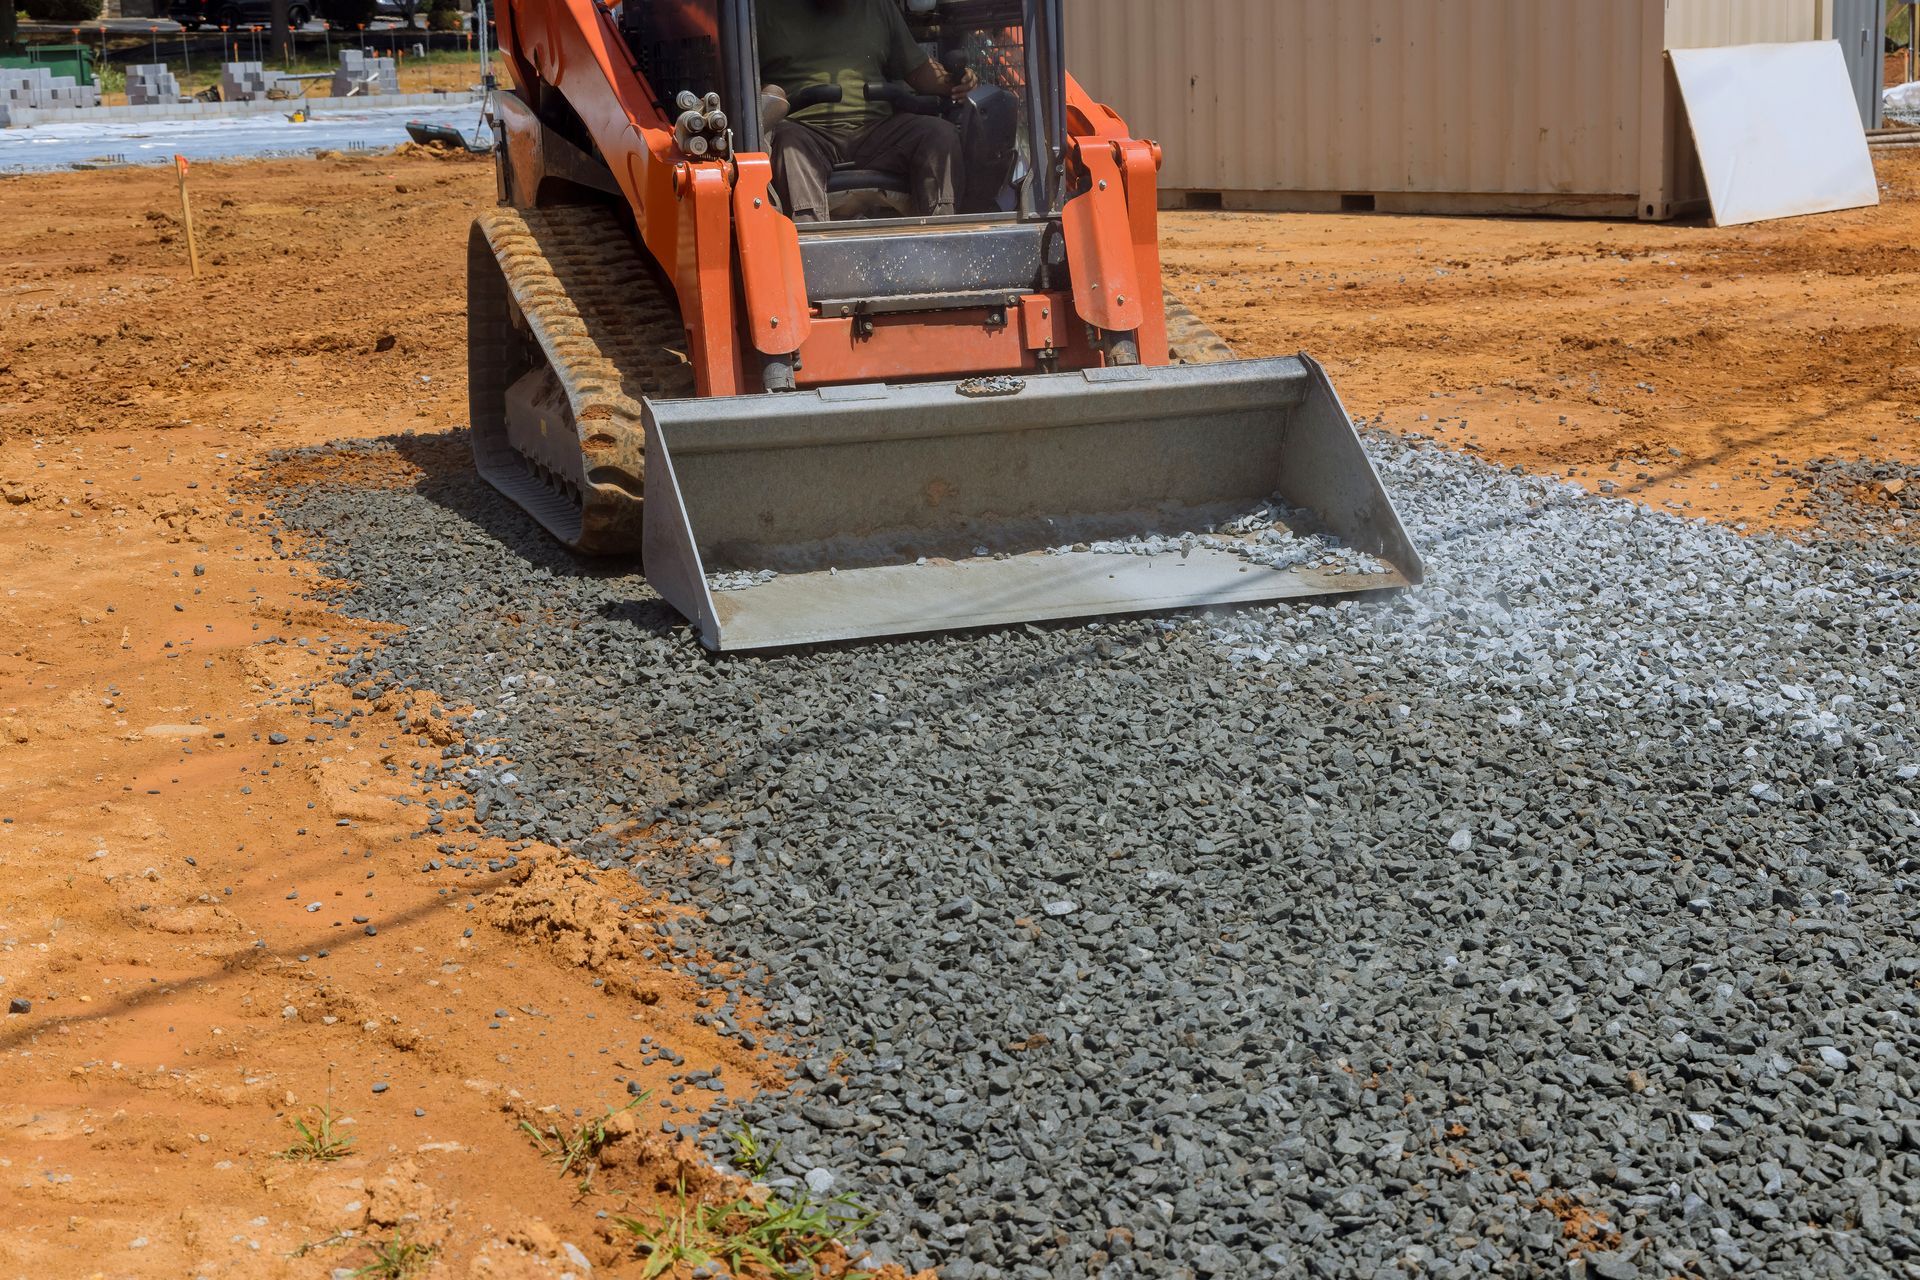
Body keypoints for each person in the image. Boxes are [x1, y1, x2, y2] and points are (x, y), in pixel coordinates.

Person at [756, 0, 976, 222]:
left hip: (877, 131)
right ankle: (809, 241)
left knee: (940, 133)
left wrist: (956, 81)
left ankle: (942, 236)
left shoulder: (878, 6)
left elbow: (918, 70)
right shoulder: (761, 10)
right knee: (788, 146)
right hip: (805, 131)